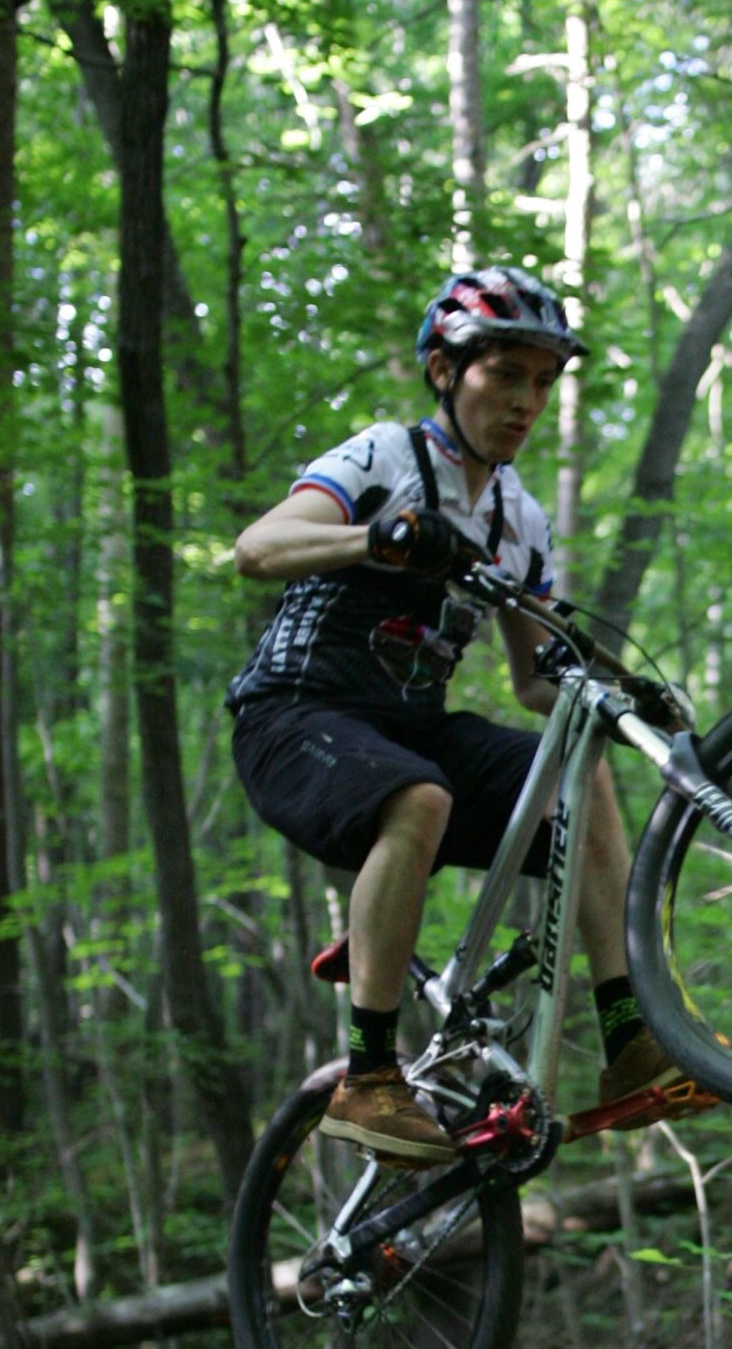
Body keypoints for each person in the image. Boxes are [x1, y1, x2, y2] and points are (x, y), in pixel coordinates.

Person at [229, 262, 678, 1162]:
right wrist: (378, 537)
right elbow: (256, 547)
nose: (526, 401)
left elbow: (531, 680)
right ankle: (367, 1079)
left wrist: (620, 702)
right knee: (418, 796)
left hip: (408, 730)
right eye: (504, 374)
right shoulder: (382, 459)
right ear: (445, 371)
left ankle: (629, 1036)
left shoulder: (520, 519)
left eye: (543, 383)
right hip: (294, 716)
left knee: (575, 768)